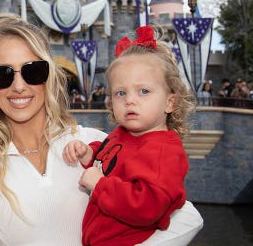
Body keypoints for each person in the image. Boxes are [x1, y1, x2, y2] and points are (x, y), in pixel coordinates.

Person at [0, 19, 203, 245]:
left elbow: (187, 217)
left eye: (33, 71)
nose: (19, 87)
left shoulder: (95, 144)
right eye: (2, 74)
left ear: (49, 77)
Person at [62, 26, 196, 245]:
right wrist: (89, 154)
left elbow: (149, 207)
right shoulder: (124, 134)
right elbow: (110, 160)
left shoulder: (164, 151)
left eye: (143, 91)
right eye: (121, 93)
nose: (130, 100)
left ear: (170, 102)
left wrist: (100, 185)